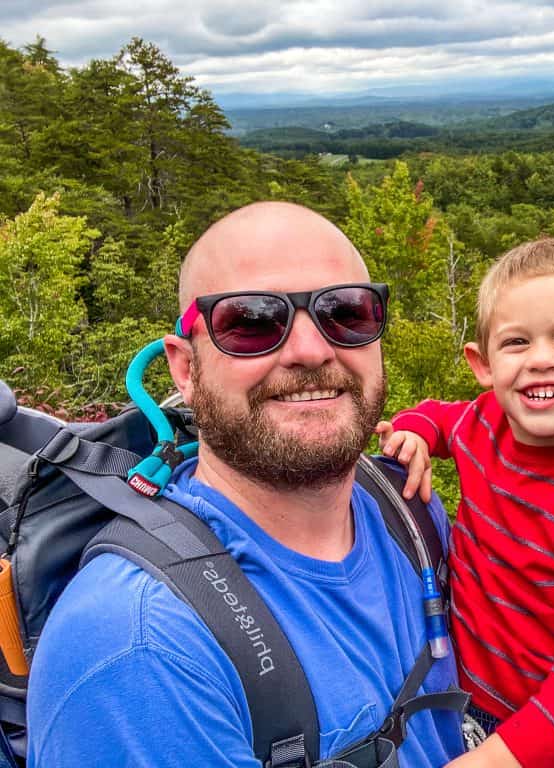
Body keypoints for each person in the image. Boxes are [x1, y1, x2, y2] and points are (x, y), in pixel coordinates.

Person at [26, 202, 465, 767]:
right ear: (185, 370)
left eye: (346, 313)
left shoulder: (410, 512)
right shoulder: (141, 649)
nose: (311, 351)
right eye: (253, 323)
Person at [377, 238, 554, 768]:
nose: (541, 360)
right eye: (516, 343)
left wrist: (506, 755)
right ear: (483, 364)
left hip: (542, 734)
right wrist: (413, 434)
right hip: (456, 695)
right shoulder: (484, 421)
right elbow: (435, 416)